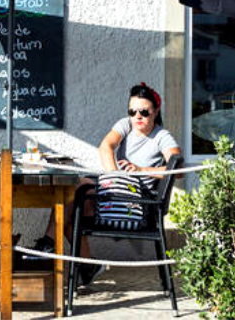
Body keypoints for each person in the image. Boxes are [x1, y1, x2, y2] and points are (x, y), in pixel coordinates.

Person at [29, 83, 180, 286]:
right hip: (117, 191)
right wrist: (116, 178)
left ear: (156, 111)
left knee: (75, 192)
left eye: (144, 112)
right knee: (70, 201)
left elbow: (178, 167)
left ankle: (50, 246)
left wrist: (141, 171)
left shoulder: (162, 136)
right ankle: (83, 263)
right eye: (132, 111)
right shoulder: (127, 125)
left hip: (137, 203)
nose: (137, 116)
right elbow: (105, 146)